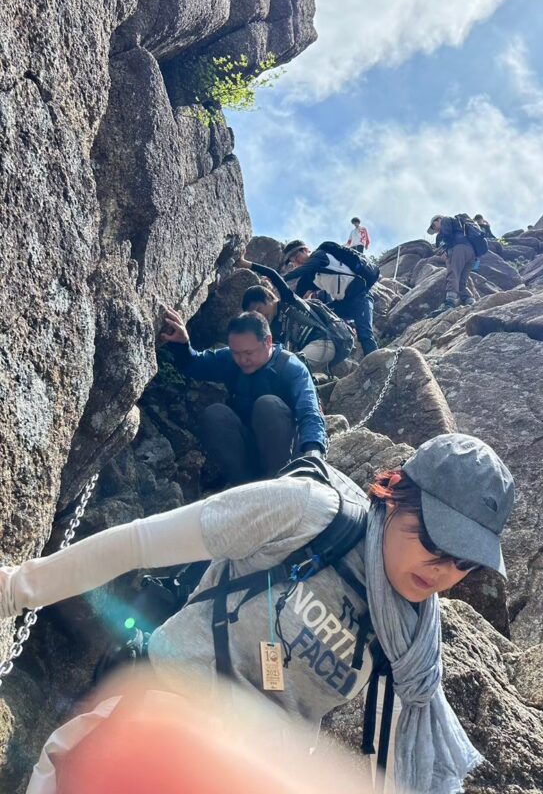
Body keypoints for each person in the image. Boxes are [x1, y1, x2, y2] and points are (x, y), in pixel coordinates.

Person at [3, 434, 516, 794]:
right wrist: (14, 589)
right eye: (433, 540)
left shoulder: (413, 640)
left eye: (464, 562)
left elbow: (390, 767)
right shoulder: (308, 515)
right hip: (159, 719)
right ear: (393, 494)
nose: (443, 570)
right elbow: (139, 543)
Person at [160, 309, 325, 484]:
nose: (241, 360)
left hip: (286, 452)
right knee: (215, 413)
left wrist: (313, 454)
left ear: (268, 342)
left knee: (267, 405)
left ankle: (278, 481)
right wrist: (182, 344)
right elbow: (196, 365)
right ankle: (242, 485)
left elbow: (310, 412)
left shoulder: (291, 367)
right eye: (235, 353)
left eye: (248, 353)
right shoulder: (230, 359)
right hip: (249, 447)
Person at [236, 257, 350, 376]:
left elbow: (272, 274)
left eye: (259, 309)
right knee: (281, 369)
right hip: (312, 349)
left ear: (269, 297)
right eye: (256, 315)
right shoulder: (273, 329)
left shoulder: (288, 300)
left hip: (326, 341)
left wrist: (245, 263)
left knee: (292, 365)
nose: (261, 316)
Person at [281, 240, 378, 356]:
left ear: (305, 250)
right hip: (344, 304)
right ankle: (331, 348)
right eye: (292, 261)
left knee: (365, 334)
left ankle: (377, 364)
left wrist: (280, 277)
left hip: (361, 295)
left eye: (296, 256)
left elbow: (307, 267)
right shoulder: (309, 277)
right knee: (320, 315)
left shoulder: (320, 255)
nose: (296, 262)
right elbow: (295, 298)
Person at [426, 215, 476, 311]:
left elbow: (448, 236)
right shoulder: (457, 224)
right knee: (462, 280)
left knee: (453, 273)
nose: (435, 230)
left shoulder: (445, 220)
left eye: (433, 226)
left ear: (438, 219)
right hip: (471, 252)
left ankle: (450, 301)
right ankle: (469, 300)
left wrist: (447, 251)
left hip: (459, 249)